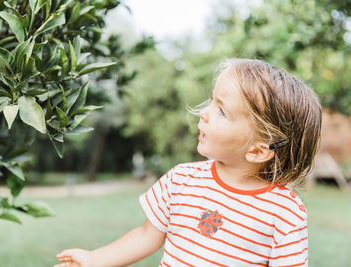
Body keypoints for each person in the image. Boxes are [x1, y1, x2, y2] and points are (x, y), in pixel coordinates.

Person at [54, 58, 322, 267]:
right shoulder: (181, 180)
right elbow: (147, 236)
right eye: (212, 101)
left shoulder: (283, 211)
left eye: (221, 110)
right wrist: (94, 259)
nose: (204, 113)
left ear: (257, 151)